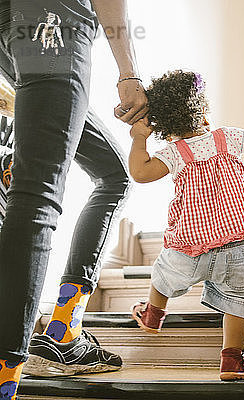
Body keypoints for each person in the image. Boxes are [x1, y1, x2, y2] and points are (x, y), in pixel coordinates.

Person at [0, 0, 146, 397]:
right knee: (37, 194)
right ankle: (4, 380)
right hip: (53, 22)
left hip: (15, 36)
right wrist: (129, 72)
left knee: (114, 174)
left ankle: (65, 329)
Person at [127, 70, 244, 381]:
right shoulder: (227, 138)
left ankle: (153, 313)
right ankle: (232, 360)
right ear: (203, 112)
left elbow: (140, 172)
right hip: (235, 246)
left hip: (189, 246)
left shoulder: (173, 153)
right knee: (240, 300)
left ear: (164, 127)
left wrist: (139, 138)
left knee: (163, 270)